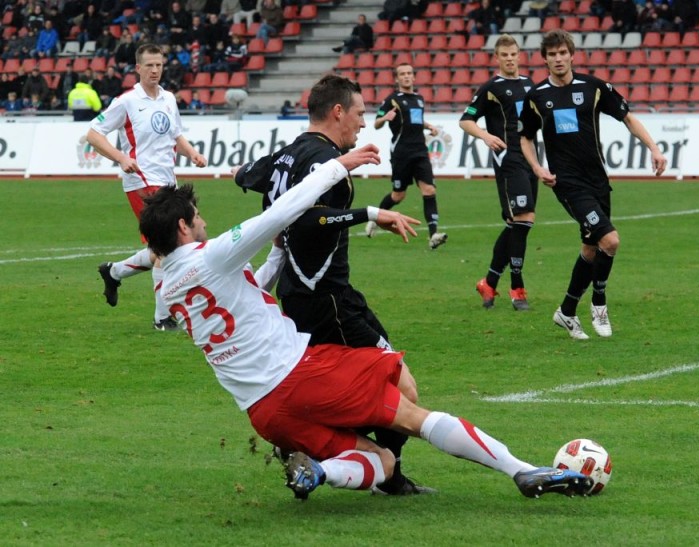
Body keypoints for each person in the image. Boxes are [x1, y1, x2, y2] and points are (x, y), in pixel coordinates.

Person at [139, 147, 594, 501]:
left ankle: (317, 471)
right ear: (183, 227)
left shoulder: (168, 286)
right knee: (411, 412)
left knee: (380, 462)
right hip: (302, 376)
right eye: (197, 218)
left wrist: (278, 252)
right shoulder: (213, 255)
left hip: (263, 412)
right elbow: (282, 210)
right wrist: (338, 166)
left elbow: (245, 293)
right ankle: (520, 470)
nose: (204, 222)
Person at [233, 74, 433, 496]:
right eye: (359, 113)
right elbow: (311, 219)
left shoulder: (288, 153)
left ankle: (322, 452)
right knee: (401, 387)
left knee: (341, 389)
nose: (363, 123)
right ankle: (379, 473)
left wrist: (272, 207)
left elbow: (244, 174)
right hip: (329, 299)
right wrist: (369, 214)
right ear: (338, 111)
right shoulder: (329, 168)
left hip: (296, 298)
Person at [518, 29, 667, 340]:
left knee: (590, 248)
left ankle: (567, 311)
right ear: (544, 59)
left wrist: (653, 148)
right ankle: (599, 303)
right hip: (567, 183)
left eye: (563, 53)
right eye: (552, 54)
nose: (558, 59)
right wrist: (536, 168)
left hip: (598, 179)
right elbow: (525, 137)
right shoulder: (536, 96)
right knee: (610, 241)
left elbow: (628, 117)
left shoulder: (594, 87)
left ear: (572, 55)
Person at [88, 43, 208, 330]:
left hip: (168, 180)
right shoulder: (127, 101)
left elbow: (176, 134)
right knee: (171, 246)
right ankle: (162, 317)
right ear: (137, 68)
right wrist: (120, 157)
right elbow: (93, 133)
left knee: (173, 242)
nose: (155, 70)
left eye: (159, 65)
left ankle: (114, 272)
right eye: (149, 65)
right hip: (141, 182)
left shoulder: (168, 98)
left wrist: (191, 153)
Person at [459, 34, 536, 312]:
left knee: (518, 223)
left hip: (530, 158)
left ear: (519, 54)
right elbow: (465, 120)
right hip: (508, 160)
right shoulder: (491, 87)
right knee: (524, 218)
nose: (510, 59)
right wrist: (485, 136)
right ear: (497, 58)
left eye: (514, 54)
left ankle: (489, 282)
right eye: (505, 55)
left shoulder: (529, 84)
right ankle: (517, 287)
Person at [371, 63, 447, 250]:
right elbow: (376, 124)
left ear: (414, 77)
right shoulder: (392, 99)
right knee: (398, 196)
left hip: (420, 151)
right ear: (397, 79)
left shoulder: (419, 99)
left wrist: (428, 126)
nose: (406, 76)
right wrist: (384, 118)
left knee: (429, 190)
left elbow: (415, 120)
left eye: (409, 73)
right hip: (401, 153)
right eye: (402, 74)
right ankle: (375, 218)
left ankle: (433, 235)